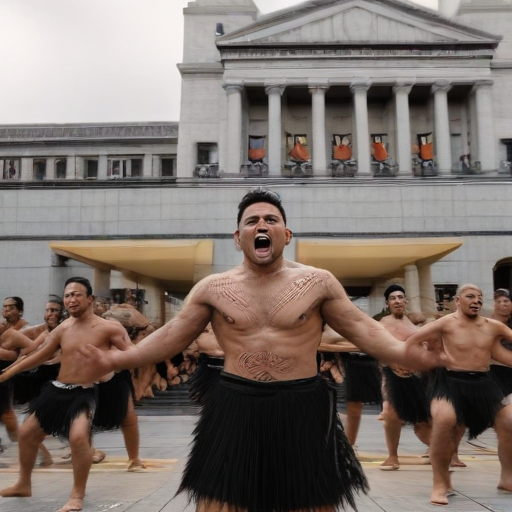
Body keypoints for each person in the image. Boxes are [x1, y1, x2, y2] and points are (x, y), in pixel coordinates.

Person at [63, 190, 445, 512]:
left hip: (302, 402)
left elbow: (361, 327)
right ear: (238, 236)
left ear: (287, 233)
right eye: (252, 220)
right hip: (235, 401)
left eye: (271, 219)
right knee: (218, 501)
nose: (262, 225)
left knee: (311, 501)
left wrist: (403, 352)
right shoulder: (213, 287)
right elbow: (174, 334)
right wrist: (122, 358)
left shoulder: (318, 282)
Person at [0, 276, 133, 512]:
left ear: (89, 298)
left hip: (84, 393)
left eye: (76, 294)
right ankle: (23, 483)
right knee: (27, 435)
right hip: (57, 389)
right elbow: (38, 356)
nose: (71, 299)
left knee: (79, 438)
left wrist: (111, 366)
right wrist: (7, 373)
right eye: (67, 295)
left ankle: (77, 495)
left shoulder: (109, 328)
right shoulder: (64, 328)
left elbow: (134, 354)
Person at [406, 284, 512, 505]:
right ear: (457, 300)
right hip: (450, 382)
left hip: (483, 382)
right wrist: (427, 358)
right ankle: (439, 484)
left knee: (508, 421)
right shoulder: (445, 323)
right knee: (444, 420)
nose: (476, 301)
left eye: (480, 297)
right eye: (470, 296)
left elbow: (500, 352)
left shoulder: (493, 326)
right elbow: (411, 342)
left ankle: (507, 478)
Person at [378, 285, 434, 470]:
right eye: (393, 298)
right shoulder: (382, 324)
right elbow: (374, 346)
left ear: (406, 301)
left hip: (417, 375)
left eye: (400, 297)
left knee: (424, 419)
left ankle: (439, 451)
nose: (397, 301)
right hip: (393, 374)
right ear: (387, 303)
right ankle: (392, 456)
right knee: (391, 415)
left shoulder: (412, 324)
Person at [95, 304, 147, 471]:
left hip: (118, 379)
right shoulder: (95, 336)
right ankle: (86, 451)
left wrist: (135, 312)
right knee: (83, 417)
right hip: (92, 378)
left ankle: (134, 459)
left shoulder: (128, 340)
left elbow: (148, 330)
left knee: (129, 418)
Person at [320, 325, 382, 447]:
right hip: (340, 365)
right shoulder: (329, 326)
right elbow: (324, 341)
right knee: (337, 407)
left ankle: (349, 444)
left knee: (354, 406)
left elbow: (373, 340)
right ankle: (344, 444)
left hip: (362, 364)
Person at [489, 288, 512, 404]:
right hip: (494, 370)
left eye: (506, 301)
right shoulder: (488, 323)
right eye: (498, 301)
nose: (502, 304)